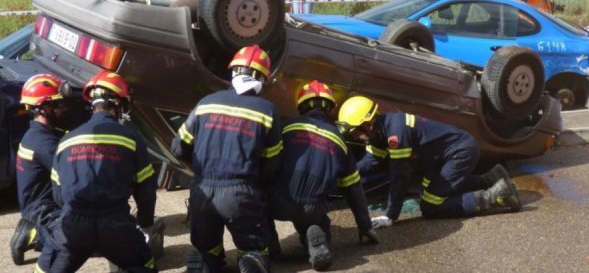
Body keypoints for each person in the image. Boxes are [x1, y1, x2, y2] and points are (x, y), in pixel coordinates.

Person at [171, 45, 282, 273]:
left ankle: (206, 260)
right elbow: (272, 164)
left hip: (202, 193)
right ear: (262, 78)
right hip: (242, 194)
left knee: (207, 248)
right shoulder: (267, 111)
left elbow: (178, 148)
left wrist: (200, 170)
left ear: (233, 72)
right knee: (254, 248)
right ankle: (251, 260)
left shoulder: (206, 103)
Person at [337, 96, 521, 228]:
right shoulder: (380, 132)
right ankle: (491, 178)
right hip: (445, 156)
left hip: (459, 152)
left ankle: (496, 196)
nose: (355, 136)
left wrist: (390, 215)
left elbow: (400, 176)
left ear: (368, 124)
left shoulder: (396, 134)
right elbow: (371, 162)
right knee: (430, 191)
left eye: (355, 131)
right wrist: (343, 172)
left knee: (431, 206)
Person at [46, 70, 157, 272]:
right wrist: (145, 221)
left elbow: (58, 193)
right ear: (118, 104)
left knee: (50, 268)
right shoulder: (130, 138)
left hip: (73, 224)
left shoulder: (66, 141)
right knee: (144, 265)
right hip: (116, 225)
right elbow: (146, 189)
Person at [268, 80, 379, 271]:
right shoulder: (339, 141)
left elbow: (268, 162)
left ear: (300, 106)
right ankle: (316, 236)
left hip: (277, 202)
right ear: (330, 109)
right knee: (316, 220)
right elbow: (354, 189)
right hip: (312, 207)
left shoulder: (286, 127)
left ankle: (268, 244)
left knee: (255, 205)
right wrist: (364, 225)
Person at [10, 74, 67, 268]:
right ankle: (37, 232)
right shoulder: (44, 143)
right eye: (58, 105)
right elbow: (71, 175)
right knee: (82, 233)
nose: (63, 109)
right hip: (44, 210)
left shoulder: (36, 134)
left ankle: (32, 227)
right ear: (44, 108)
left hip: (36, 206)